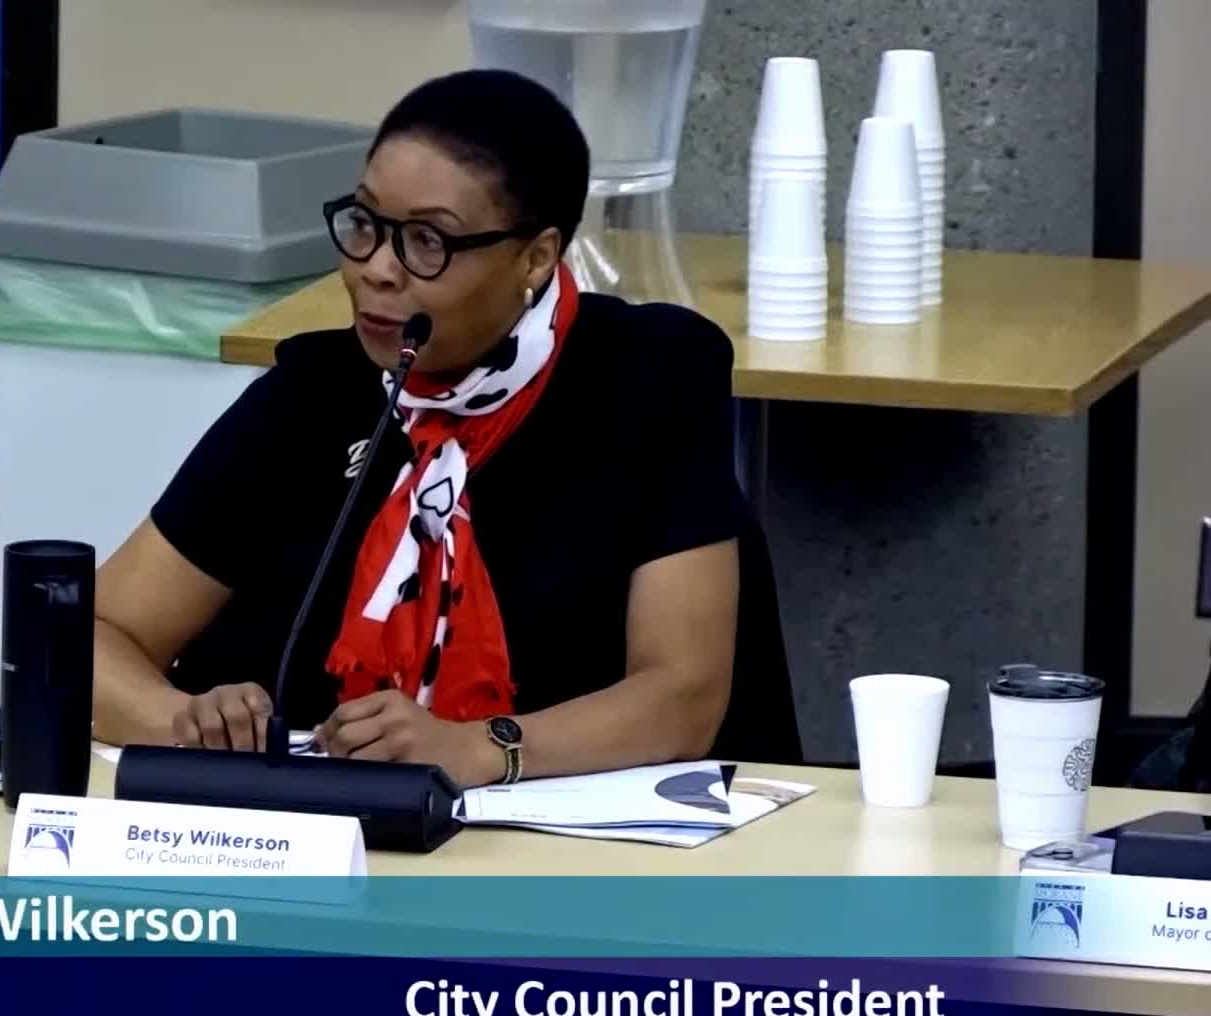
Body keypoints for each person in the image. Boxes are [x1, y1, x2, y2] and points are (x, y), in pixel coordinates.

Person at [90, 69, 748, 788]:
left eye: (428, 241)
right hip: (322, 828)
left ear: (535, 256)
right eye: (365, 224)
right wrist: (183, 725)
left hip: (555, 839)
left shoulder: (646, 378)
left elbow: (682, 698)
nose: (377, 269)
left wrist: (481, 749)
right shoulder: (312, 395)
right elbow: (90, 636)